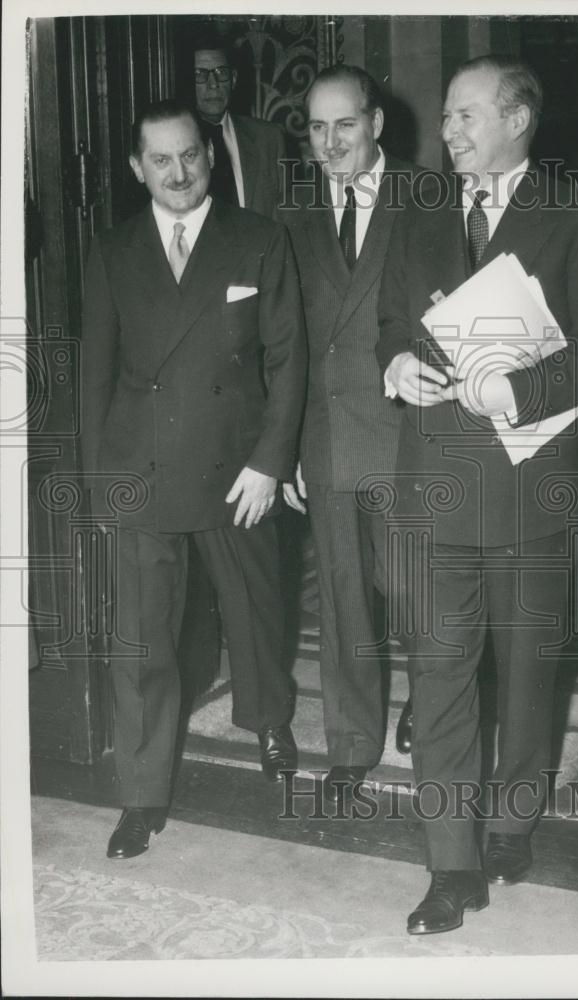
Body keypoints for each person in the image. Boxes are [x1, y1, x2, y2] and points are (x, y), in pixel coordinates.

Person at [378, 55, 578, 934]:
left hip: (535, 488)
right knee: (439, 677)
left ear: (518, 120)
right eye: (446, 117)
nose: (446, 133)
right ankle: (451, 865)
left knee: (528, 678)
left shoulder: (575, 211)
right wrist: (398, 362)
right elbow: (388, 319)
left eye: (464, 117)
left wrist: (515, 391)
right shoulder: (414, 215)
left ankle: (512, 822)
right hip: (435, 487)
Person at [81, 100, 307, 859]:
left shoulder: (257, 238)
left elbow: (286, 359)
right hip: (140, 469)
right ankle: (141, 796)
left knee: (255, 609)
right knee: (141, 640)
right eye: (161, 161)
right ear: (137, 168)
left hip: (234, 465)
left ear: (209, 153)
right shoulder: (111, 251)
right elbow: (95, 377)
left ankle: (269, 719)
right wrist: (100, 479)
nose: (179, 174)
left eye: (191, 156)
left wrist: (271, 461)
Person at [280, 65, 415, 807]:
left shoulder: (429, 198)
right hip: (327, 436)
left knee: (419, 594)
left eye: (345, 125)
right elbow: (288, 342)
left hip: (410, 435)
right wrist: (289, 446)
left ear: (375, 124)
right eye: (317, 127)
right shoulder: (294, 216)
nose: (330, 142)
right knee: (342, 603)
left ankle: (435, 708)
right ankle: (352, 742)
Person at [193, 36, 285, 214]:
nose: (213, 84)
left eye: (221, 73)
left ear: (233, 79)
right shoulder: (172, 145)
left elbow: (286, 216)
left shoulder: (269, 139)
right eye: (200, 75)